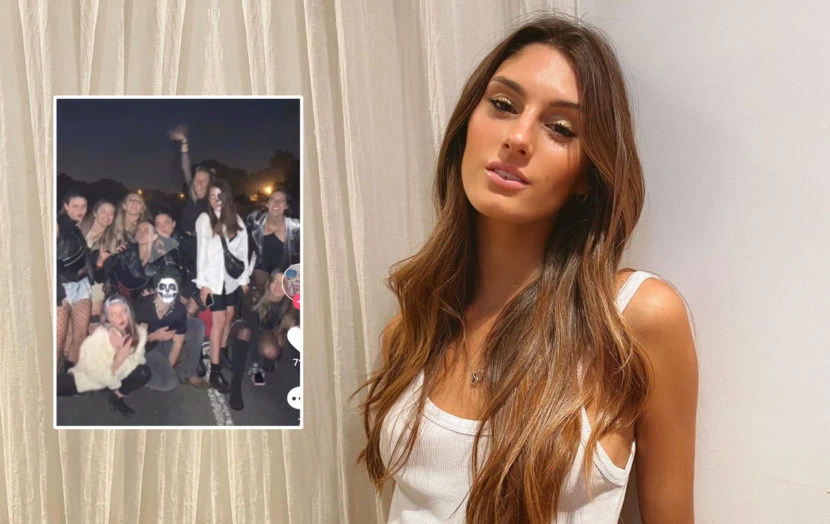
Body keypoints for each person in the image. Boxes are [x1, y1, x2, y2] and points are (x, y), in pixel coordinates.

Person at [357, 16, 698, 523]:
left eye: (560, 128)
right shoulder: (412, 329)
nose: (518, 137)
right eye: (502, 105)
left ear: (588, 175)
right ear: (465, 127)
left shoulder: (631, 321)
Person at [194, 179, 250, 393]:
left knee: (229, 316)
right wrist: (203, 284)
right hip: (212, 282)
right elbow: (201, 253)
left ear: (226, 196)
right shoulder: (204, 219)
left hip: (230, 281)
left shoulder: (236, 220)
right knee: (218, 322)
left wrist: (243, 279)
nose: (215, 200)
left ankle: (222, 351)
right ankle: (215, 371)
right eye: (211, 196)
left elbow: (243, 251)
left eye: (219, 196)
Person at [56, 294, 151, 417]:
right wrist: (118, 359)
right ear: (107, 319)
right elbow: (94, 373)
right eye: (114, 314)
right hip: (90, 377)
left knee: (143, 373)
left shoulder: (140, 332)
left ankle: (116, 397)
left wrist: (121, 359)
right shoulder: (98, 337)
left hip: (117, 375)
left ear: (129, 312)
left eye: (123, 311)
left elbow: (138, 360)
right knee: (55, 387)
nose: (120, 318)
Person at [226, 270, 296, 410]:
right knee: (246, 333)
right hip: (242, 324)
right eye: (274, 281)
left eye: (282, 283)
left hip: (266, 330)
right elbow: (254, 331)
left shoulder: (289, 303)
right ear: (269, 283)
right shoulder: (256, 297)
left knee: (272, 349)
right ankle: (236, 384)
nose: (277, 286)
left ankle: (271, 360)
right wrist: (255, 367)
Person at [133, 266, 209, 391]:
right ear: (156, 289)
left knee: (197, 325)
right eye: (163, 287)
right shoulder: (144, 306)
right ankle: (135, 376)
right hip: (147, 347)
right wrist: (153, 337)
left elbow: (178, 343)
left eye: (172, 287)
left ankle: (188, 373)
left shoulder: (179, 310)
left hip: (166, 342)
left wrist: (167, 368)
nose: (167, 291)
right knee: (169, 383)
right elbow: (133, 341)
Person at [56, 191, 106, 368]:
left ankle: (70, 376)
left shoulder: (77, 229)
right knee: (58, 341)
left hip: (82, 285)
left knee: (80, 337)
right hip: (62, 286)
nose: (80, 210)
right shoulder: (57, 224)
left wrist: (98, 261)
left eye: (83, 206)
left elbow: (79, 258)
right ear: (66, 206)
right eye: (75, 206)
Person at [79, 199, 122, 331]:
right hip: (72, 281)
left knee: (93, 323)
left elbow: (104, 274)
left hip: (95, 284)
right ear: (95, 213)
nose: (107, 215)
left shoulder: (112, 240)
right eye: (104, 211)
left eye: (111, 213)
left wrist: (101, 262)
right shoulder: (79, 229)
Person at [246, 189, 300, 290]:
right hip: (259, 273)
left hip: (284, 276)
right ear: (267, 204)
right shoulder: (255, 220)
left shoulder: (296, 227)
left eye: (281, 201)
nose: (276, 203)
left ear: (286, 206)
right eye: (272, 200)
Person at [106, 220, 171, 302]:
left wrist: (154, 292)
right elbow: (107, 275)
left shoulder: (160, 259)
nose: (141, 233)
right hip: (122, 301)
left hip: (150, 302)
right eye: (139, 230)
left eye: (146, 230)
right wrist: (110, 256)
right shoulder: (124, 252)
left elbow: (164, 283)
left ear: (154, 236)